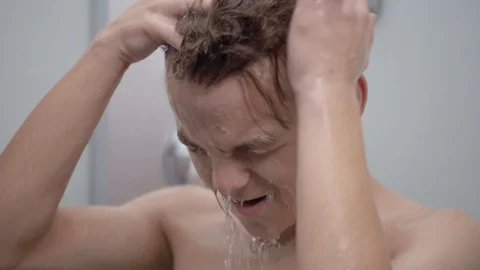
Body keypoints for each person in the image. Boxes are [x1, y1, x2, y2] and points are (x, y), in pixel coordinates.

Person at [1, 0, 479, 269]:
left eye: (256, 148)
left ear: (347, 105)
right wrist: (107, 52)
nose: (223, 183)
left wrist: (326, 82)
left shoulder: (440, 243)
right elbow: (10, 249)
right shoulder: (181, 227)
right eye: (197, 149)